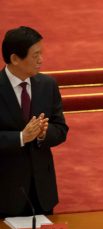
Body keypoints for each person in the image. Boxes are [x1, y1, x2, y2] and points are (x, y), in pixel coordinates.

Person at [0, 26, 68, 217]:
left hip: (42, 192)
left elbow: (61, 128)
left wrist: (43, 133)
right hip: (5, 192)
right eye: (35, 55)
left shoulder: (48, 85)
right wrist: (21, 137)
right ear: (14, 58)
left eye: (42, 53)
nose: (41, 60)